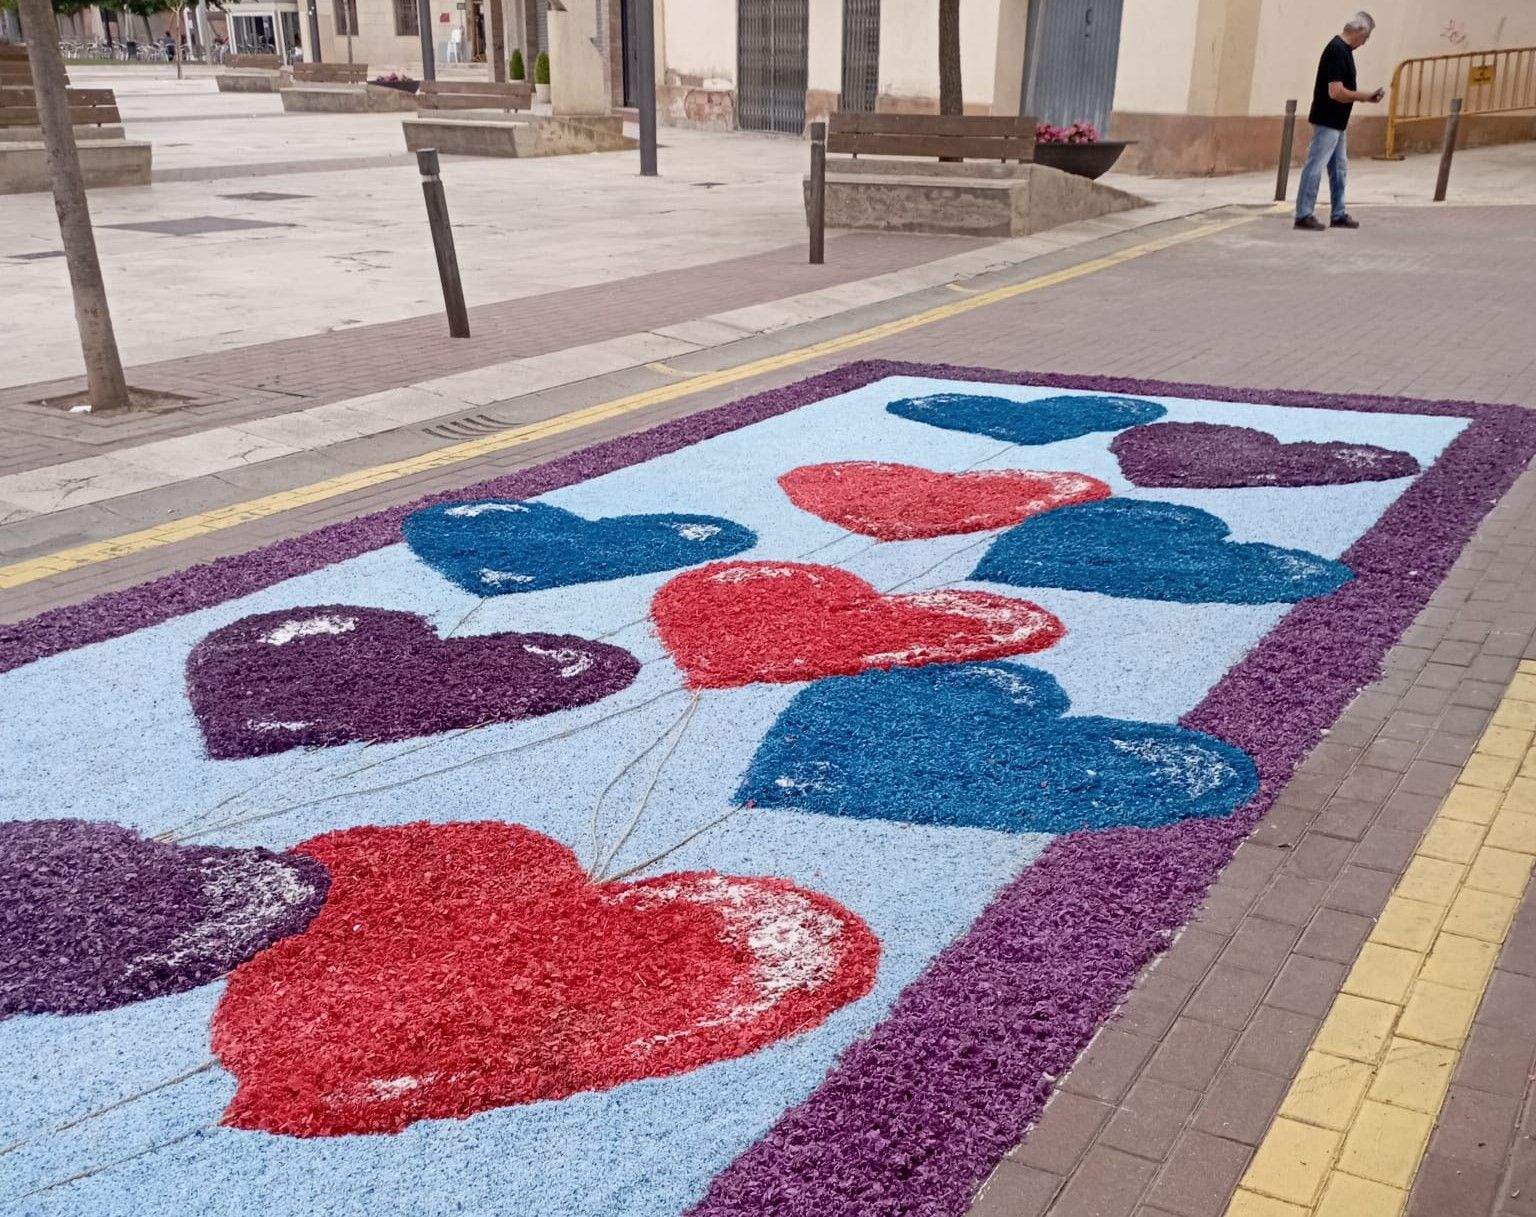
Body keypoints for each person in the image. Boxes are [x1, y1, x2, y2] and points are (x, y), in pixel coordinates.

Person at [1295, 12, 1386, 231]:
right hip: (1328, 120)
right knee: (1315, 166)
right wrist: (1365, 96)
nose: (1364, 43)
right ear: (1359, 31)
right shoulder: (1337, 50)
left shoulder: (1344, 50)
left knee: (1339, 168)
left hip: (1337, 122)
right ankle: (1303, 214)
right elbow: (1335, 92)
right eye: (1366, 37)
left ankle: (1338, 214)